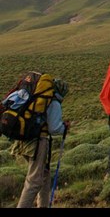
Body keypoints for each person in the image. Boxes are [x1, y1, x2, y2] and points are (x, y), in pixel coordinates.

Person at [11, 79, 70, 208]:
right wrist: (64, 128)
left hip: (23, 140)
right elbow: (54, 128)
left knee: (44, 175)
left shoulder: (36, 97)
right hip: (37, 142)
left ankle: (43, 205)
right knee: (34, 181)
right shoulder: (53, 102)